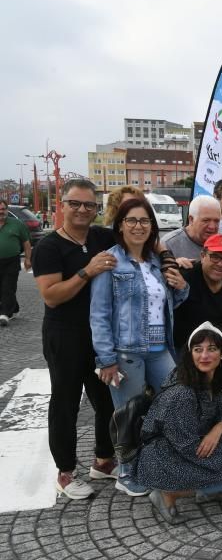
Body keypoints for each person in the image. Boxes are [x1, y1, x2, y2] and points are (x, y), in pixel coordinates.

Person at [90, 197, 190, 496]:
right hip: (126, 352)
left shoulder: (157, 262)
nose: (138, 226)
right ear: (120, 225)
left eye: (144, 221)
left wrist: (183, 288)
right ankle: (126, 471)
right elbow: (99, 314)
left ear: (152, 226)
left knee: (176, 402)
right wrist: (106, 358)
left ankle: (161, 460)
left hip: (160, 349)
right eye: (131, 220)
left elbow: (169, 304)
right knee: (128, 415)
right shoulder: (110, 261)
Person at [33, 180, 122, 499]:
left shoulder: (103, 236)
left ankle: (103, 459)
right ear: (62, 204)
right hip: (64, 334)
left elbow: (143, 241)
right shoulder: (49, 247)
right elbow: (52, 296)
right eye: (76, 204)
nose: (83, 210)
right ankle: (66, 472)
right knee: (65, 404)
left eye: (89, 205)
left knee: (106, 401)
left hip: (100, 336)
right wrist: (88, 271)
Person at [135, 323, 222, 524]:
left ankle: (208, 492)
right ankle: (168, 494)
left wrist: (217, 428)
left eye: (211, 349)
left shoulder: (207, 380)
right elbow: (185, 445)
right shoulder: (182, 392)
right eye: (198, 350)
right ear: (190, 354)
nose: (204, 356)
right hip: (163, 457)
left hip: (182, 447)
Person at [172, 233, 222, 352]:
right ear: (203, 256)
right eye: (215, 256)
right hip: (184, 348)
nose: (220, 263)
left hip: (217, 346)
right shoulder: (185, 276)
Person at [0, 198, 31, 326]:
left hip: (11, 261)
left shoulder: (17, 224)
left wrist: (28, 259)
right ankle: (14, 306)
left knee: (8, 286)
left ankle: (5, 314)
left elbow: (26, 242)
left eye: (3, 209)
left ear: (7, 210)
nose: (1, 211)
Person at [163, 195, 221, 260]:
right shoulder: (169, 244)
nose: (212, 227)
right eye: (206, 220)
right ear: (191, 220)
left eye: (216, 221)